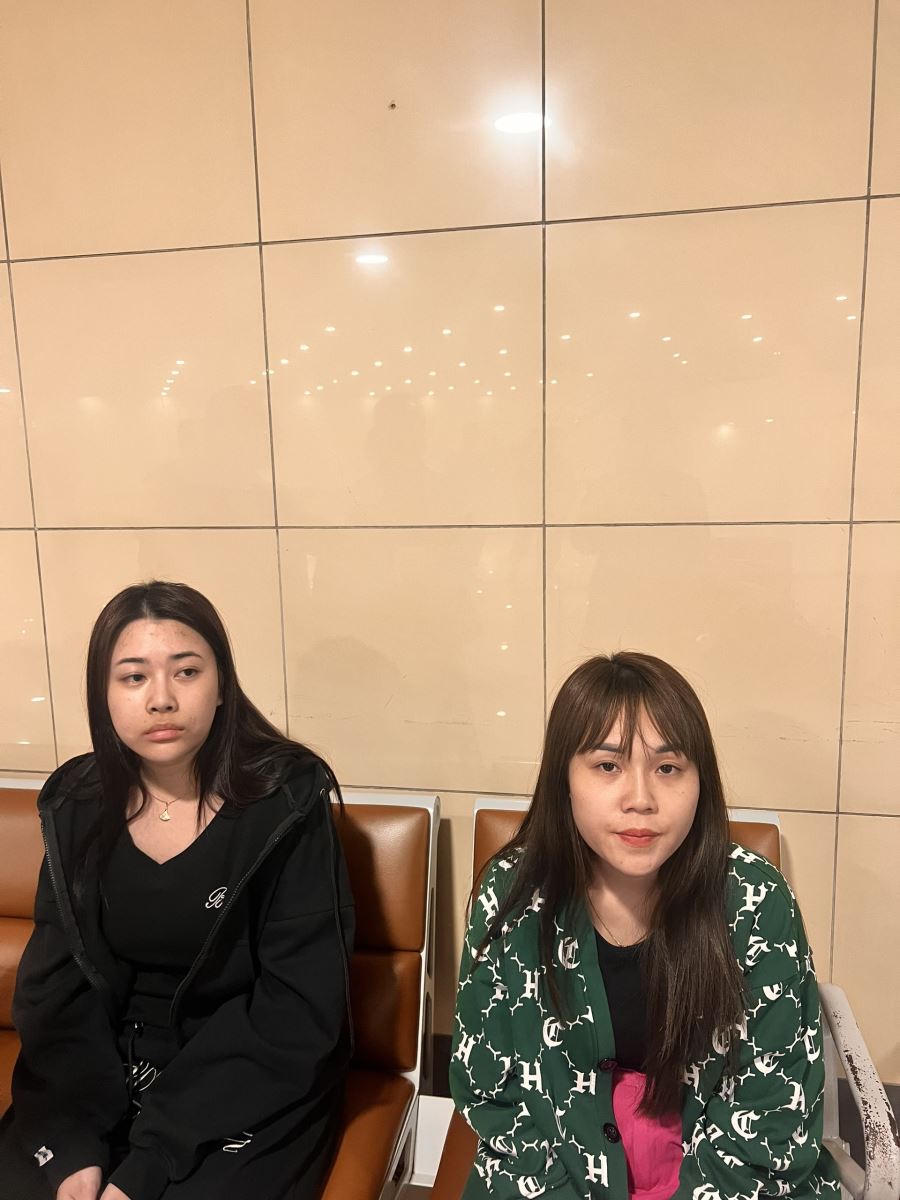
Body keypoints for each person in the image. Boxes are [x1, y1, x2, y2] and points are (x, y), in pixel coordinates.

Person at [0, 581, 354, 1200]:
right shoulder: (76, 804)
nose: (161, 699)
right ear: (103, 695)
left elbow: (298, 1006)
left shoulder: (285, 802)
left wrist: (148, 1163)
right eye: (133, 677)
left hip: (244, 1082)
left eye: (186, 672)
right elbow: (56, 991)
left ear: (222, 686)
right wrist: (74, 1145)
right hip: (96, 1077)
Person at [450, 652, 841, 1200]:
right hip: (556, 1176)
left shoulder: (756, 901)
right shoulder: (511, 896)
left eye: (667, 768)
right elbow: (491, 1091)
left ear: (701, 782)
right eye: (607, 766)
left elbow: (773, 1117)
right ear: (564, 778)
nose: (640, 800)